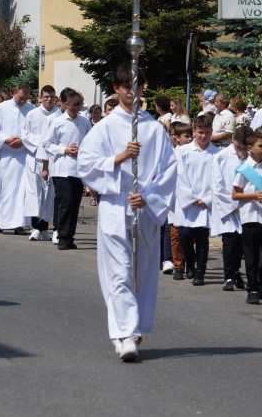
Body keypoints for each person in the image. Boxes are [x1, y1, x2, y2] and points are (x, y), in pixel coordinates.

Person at [76, 63, 177, 361]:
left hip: (143, 207)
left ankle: (131, 329)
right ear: (117, 89)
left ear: (143, 89)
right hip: (114, 204)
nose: (131, 93)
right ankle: (126, 333)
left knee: (142, 271)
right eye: (125, 87)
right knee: (119, 271)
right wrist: (120, 157)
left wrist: (147, 197)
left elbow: (169, 171)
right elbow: (86, 165)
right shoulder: (104, 127)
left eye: (137, 88)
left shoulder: (153, 129)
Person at [231, 126, 262, 304]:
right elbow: (235, 194)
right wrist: (253, 195)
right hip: (250, 216)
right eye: (261, 145)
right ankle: (252, 288)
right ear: (250, 148)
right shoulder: (244, 168)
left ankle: (260, 280)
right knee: (251, 255)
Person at [0, 83, 35, 234]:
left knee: (20, 191)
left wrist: (23, 140)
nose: (23, 101)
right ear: (14, 93)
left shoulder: (32, 110)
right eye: (20, 98)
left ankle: (19, 224)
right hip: (4, 155)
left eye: (26, 98)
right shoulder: (2, 108)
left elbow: (35, 132)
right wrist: (6, 139)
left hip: (23, 155)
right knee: (1, 189)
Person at [41, 90, 92, 249]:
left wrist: (82, 151)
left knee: (75, 203)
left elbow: (90, 143)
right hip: (62, 169)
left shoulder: (84, 122)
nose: (75, 112)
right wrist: (64, 150)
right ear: (65, 105)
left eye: (78, 109)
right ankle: (62, 235)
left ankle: (70, 237)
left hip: (78, 168)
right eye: (72, 109)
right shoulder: (58, 122)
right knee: (65, 202)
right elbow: (47, 144)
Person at [172, 114, 219, 286]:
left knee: (202, 239)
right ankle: (189, 262)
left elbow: (218, 180)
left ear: (211, 132)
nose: (204, 136)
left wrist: (207, 198)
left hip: (205, 202)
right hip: (188, 201)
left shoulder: (216, 154)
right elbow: (180, 175)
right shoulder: (183, 151)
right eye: (200, 132)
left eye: (207, 132)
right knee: (184, 235)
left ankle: (200, 271)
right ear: (193, 131)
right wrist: (190, 197)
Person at [210, 125, 250, 292]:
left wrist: (247, 158)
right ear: (233, 141)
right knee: (229, 242)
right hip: (228, 206)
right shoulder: (221, 157)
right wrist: (232, 204)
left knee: (241, 243)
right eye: (238, 147)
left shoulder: (251, 159)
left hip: (246, 206)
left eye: (244, 148)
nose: (240, 150)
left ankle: (236, 272)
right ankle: (228, 276)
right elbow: (216, 185)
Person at [23, 86, 59, 241]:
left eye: (51, 96)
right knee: (35, 194)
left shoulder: (59, 115)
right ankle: (35, 226)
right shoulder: (32, 114)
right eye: (46, 96)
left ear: (55, 98)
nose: (49, 99)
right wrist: (41, 143)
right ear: (40, 98)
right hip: (34, 159)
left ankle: (43, 226)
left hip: (52, 159)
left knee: (50, 195)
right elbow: (25, 135)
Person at [166, 121, 193, 278]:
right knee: (175, 234)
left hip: (192, 198)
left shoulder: (194, 153)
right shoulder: (170, 154)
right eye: (186, 136)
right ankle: (178, 265)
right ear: (176, 138)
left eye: (190, 136)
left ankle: (189, 261)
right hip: (175, 198)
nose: (189, 139)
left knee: (190, 234)